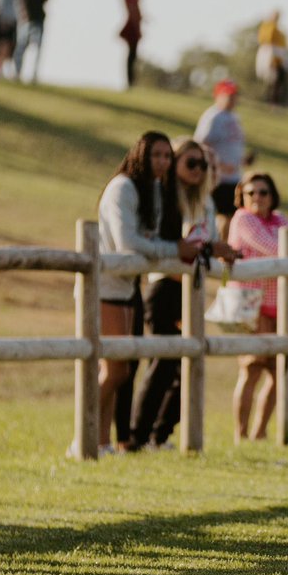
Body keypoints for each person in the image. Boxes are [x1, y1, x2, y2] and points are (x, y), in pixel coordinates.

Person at [89, 132, 201, 456]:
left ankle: (101, 442)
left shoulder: (152, 189)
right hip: (107, 283)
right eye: (157, 155)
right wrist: (174, 249)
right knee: (114, 370)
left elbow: (146, 240)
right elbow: (128, 243)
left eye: (168, 156)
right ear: (141, 155)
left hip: (126, 284)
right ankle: (85, 437)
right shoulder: (123, 187)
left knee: (119, 370)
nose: (163, 162)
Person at [131, 138, 239, 448]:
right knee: (164, 362)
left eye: (203, 165)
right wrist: (209, 247)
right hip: (164, 286)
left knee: (190, 363)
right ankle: (137, 437)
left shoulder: (204, 202)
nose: (198, 169)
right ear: (175, 164)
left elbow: (205, 243)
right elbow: (175, 244)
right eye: (191, 162)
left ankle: (159, 435)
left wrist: (219, 251)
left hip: (190, 291)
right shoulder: (165, 199)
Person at [227, 171, 288, 443]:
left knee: (279, 373)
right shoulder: (243, 219)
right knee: (251, 370)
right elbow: (273, 247)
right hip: (251, 307)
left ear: (272, 195)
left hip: (279, 306)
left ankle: (260, 431)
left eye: (263, 192)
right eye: (251, 192)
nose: (257, 197)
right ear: (242, 195)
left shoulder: (280, 220)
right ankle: (241, 433)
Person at [194, 79, 246, 241]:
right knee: (223, 216)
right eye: (228, 95)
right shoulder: (213, 117)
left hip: (234, 177)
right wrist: (219, 166)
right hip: (218, 178)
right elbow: (199, 145)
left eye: (234, 95)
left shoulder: (234, 117)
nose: (232, 99)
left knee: (233, 217)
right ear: (218, 96)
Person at [14, 0, 49, 82]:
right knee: (21, 48)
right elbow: (18, 0)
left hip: (37, 20)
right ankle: (18, 73)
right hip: (26, 21)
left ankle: (33, 75)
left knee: (35, 49)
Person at [119, 0, 152, 87]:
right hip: (132, 24)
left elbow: (135, 3)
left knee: (133, 54)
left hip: (135, 22)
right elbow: (132, 4)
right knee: (132, 54)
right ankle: (129, 82)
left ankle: (131, 82)